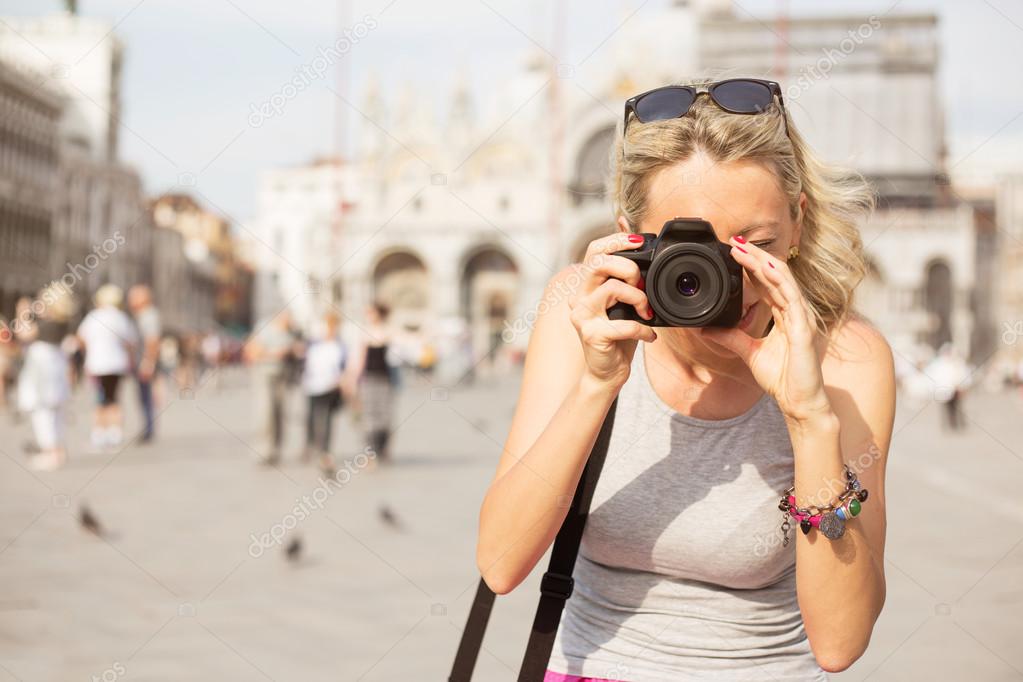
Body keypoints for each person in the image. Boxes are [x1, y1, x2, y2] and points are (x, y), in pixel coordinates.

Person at [477, 79, 895, 680]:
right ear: (630, 236)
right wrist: (597, 384)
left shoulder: (847, 361)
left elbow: (840, 642)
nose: (729, 281)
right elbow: (500, 562)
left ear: (798, 224)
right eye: (689, 253)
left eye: (757, 247)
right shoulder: (582, 311)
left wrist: (809, 420)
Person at [17, 284, 73, 470]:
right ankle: (57, 450)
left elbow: (22, 333)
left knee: (42, 410)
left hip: (42, 371)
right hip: (54, 369)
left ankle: (50, 452)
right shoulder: (62, 322)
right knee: (54, 410)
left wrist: (22, 312)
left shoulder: (47, 325)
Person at [77, 284, 138, 451]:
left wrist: (87, 353)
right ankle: (115, 431)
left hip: (97, 364)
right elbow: (131, 342)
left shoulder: (93, 316)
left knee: (100, 399)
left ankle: (99, 431)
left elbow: (80, 339)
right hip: (117, 364)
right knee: (114, 398)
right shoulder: (121, 317)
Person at [344, 303, 396, 463]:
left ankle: (383, 448)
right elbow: (359, 359)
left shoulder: (388, 331)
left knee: (384, 415)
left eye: (371, 312)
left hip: (385, 379)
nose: (368, 315)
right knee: (369, 416)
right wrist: (351, 380)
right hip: (369, 378)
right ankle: (370, 451)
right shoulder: (364, 333)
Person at [244, 309, 295, 465]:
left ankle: (275, 449)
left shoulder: (290, 332)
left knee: (280, 412)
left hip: (283, 377)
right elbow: (252, 352)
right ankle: (262, 450)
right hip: (264, 375)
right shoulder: (264, 328)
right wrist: (276, 353)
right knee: (265, 412)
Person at [301, 311, 346, 474]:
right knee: (311, 417)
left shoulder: (340, 345)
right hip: (312, 385)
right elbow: (305, 362)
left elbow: (344, 365)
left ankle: (325, 451)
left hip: (331, 387)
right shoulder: (314, 344)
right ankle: (312, 445)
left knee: (326, 418)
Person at [127, 285, 161, 442]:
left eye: (134, 297)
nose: (130, 300)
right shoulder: (140, 315)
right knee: (143, 396)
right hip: (140, 361)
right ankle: (147, 427)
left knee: (146, 396)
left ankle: (148, 429)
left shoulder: (148, 315)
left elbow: (152, 341)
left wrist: (148, 363)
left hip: (144, 362)